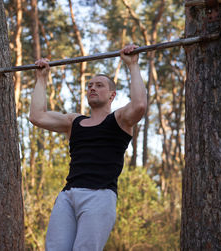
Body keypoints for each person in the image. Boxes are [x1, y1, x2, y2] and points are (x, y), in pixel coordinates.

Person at [29, 44, 147, 251]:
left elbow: (139, 106)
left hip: (99, 196)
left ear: (112, 95)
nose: (92, 87)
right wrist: (41, 78)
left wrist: (133, 65)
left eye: (100, 85)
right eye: (90, 85)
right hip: (68, 195)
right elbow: (37, 116)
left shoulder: (119, 120)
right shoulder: (73, 122)